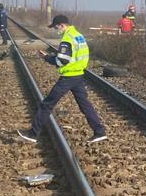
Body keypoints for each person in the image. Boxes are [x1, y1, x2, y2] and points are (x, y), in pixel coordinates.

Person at [18, 15, 106, 145]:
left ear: (61, 25)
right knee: (85, 105)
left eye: (56, 27)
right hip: (78, 74)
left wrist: (47, 58)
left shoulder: (67, 38)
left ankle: (33, 134)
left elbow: (62, 61)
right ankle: (99, 132)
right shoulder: (78, 35)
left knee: (47, 104)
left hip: (68, 77)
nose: (56, 30)